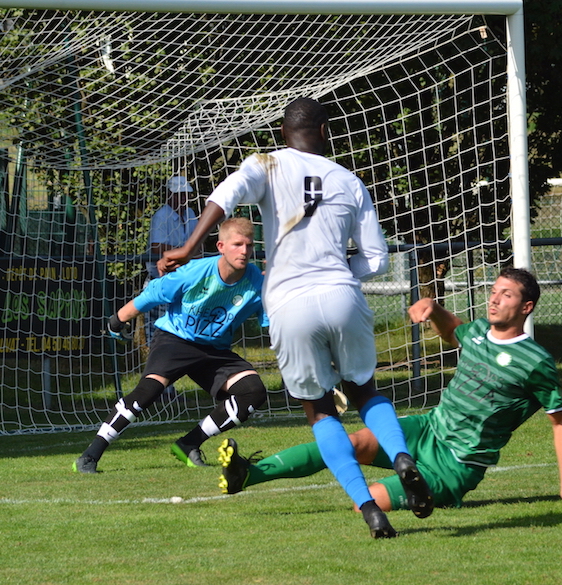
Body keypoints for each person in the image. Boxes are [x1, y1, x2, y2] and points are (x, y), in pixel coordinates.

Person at [157, 97, 432, 539]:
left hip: (288, 302)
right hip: (342, 294)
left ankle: (369, 508)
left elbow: (225, 195)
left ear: (283, 133)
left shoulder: (266, 163)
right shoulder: (349, 180)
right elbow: (378, 259)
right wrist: (339, 271)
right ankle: (401, 458)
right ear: (324, 131)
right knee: (365, 391)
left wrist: (189, 247)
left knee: (320, 411)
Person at [217, 267, 562, 514]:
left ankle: (425, 492)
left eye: (506, 295)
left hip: (456, 463)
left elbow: (561, 422)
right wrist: (433, 308)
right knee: (350, 443)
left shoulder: (535, 362)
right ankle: (249, 473)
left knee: (367, 501)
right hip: (427, 430)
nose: (495, 299)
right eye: (493, 291)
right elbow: (453, 330)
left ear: (526, 306)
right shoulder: (477, 333)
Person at [73, 217, 269, 473]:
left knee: (253, 391)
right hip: (175, 340)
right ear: (221, 246)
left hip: (215, 350)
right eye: (237, 244)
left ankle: (189, 444)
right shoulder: (196, 272)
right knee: (148, 391)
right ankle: (89, 456)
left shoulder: (258, 282)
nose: (244, 251)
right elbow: (153, 294)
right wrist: (117, 320)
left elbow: (273, 323)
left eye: (249, 245)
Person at [145, 176, 199, 400]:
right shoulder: (162, 216)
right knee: (158, 335)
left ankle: (170, 384)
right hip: (162, 282)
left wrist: (185, 252)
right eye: (179, 194)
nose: (183, 198)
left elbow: (197, 244)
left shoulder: (191, 214)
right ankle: (159, 388)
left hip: (184, 282)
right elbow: (156, 246)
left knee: (182, 333)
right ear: (170, 195)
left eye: (186, 194)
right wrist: (184, 251)